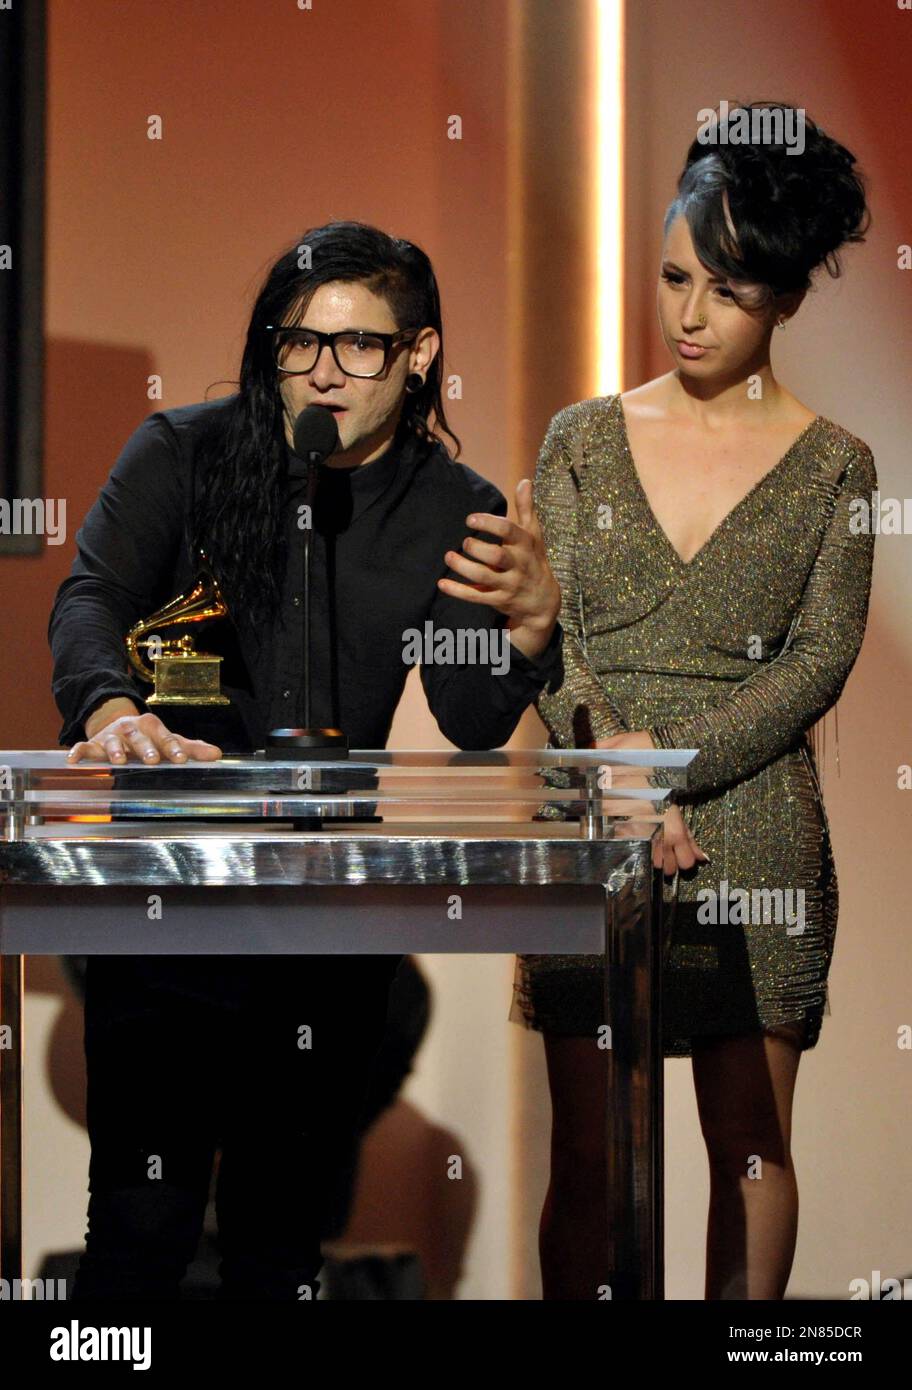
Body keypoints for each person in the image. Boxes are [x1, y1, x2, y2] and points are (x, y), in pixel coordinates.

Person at [50, 220, 563, 1299]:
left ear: (420, 354)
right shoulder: (183, 453)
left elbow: (471, 716)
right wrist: (107, 708)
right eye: (298, 342)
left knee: (280, 1247)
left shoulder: (451, 506)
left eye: (358, 346)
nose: (322, 371)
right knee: (139, 1235)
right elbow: (92, 594)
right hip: (166, 907)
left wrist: (524, 630)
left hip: (325, 923)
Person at [509, 105, 877, 1300]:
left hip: (754, 815)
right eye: (674, 276)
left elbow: (819, 662)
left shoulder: (838, 465)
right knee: (588, 1150)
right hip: (597, 803)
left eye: (728, 288)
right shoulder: (578, 439)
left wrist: (669, 760)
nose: (688, 314)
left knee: (750, 1148)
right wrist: (617, 759)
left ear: (784, 297)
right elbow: (546, 633)